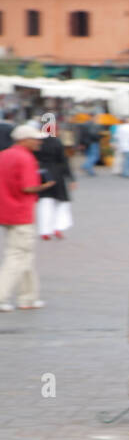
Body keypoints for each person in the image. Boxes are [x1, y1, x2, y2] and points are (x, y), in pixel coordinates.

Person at [0, 125, 55, 312]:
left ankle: (28, 297)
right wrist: (46, 185)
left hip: (5, 210)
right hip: (21, 212)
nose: (39, 142)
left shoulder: (4, 155)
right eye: (35, 139)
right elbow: (28, 187)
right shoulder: (26, 158)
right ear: (24, 140)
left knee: (25, 254)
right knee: (17, 255)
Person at [35, 133, 74, 240]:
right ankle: (58, 226)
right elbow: (63, 160)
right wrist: (71, 178)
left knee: (45, 202)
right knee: (62, 202)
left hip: (41, 173)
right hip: (57, 173)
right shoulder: (56, 142)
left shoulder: (37, 141)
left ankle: (45, 230)